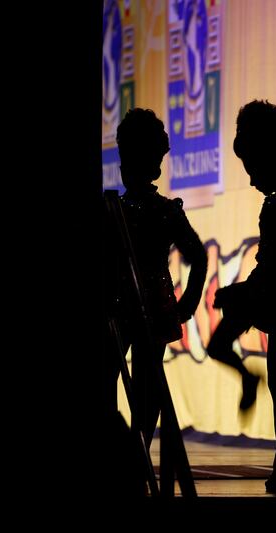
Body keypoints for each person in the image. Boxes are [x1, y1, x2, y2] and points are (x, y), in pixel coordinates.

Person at [206, 100, 276, 494]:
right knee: (223, 347)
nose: (251, 178)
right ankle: (248, 381)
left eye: (253, 169)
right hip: (267, 289)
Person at [103, 108, 208, 482]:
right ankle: (126, 456)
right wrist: (186, 304)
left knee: (146, 389)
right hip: (123, 308)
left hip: (144, 309)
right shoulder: (115, 209)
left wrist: (187, 304)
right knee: (130, 384)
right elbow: (198, 256)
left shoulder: (160, 210)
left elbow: (198, 256)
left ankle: (134, 458)